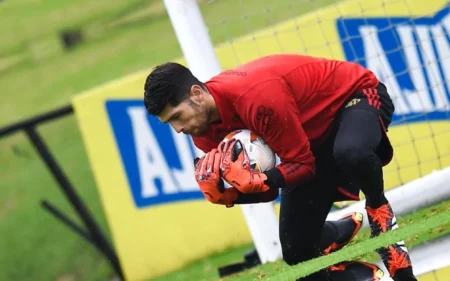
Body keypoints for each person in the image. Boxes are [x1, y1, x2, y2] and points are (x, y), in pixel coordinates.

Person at [143, 54, 417, 281]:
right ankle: (364, 268)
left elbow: (303, 167)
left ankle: (379, 212)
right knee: (297, 253)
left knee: (351, 152)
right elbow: (268, 189)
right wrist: (232, 195)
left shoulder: (256, 96)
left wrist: (261, 180)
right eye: (170, 123)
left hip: (354, 98)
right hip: (311, 142)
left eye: (177, 117)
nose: (178, 129)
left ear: (196, 94)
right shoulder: (202, 134)